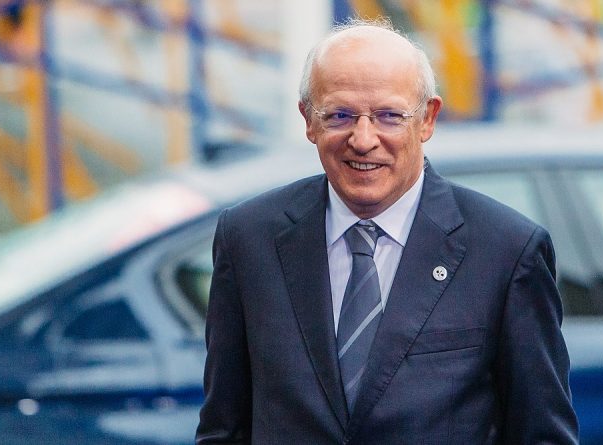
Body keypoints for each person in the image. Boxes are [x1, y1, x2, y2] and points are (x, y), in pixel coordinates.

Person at [196, 18, 578, 444]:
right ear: (308, 120)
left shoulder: (506, 252)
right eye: (340, 115)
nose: (363, 139)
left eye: (389, 116)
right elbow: (223, 428)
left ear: (427, 119)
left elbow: (542, 434)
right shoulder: (249, 240)